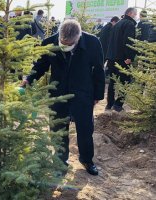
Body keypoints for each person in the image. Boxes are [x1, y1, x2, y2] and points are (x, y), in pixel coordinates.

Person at [22, 19, 105, 176]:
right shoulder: (49, 43)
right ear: (59, 34)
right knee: (58, 129)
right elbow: (39, 66)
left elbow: (99, 70)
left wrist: (98, 95)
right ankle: (60, 162)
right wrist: (28, 79)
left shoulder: (93, 43)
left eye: (69, 43)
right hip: (58, 94)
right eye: (62, 41)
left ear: (78, 37)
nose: (64, 45)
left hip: (83, 93)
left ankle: (87, 160)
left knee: (85, 130)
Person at [105, 8, 137, 112]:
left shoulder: (117, 24)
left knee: (112, 82)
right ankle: (118, 105)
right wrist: (129, 57)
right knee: (126, 82)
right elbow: (128, 42)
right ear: (130, 13)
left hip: (112, 58)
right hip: (123, 59)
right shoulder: (129, 24)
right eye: (135, 14)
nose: (135, 16)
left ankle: (109, 104)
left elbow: (111, 41)